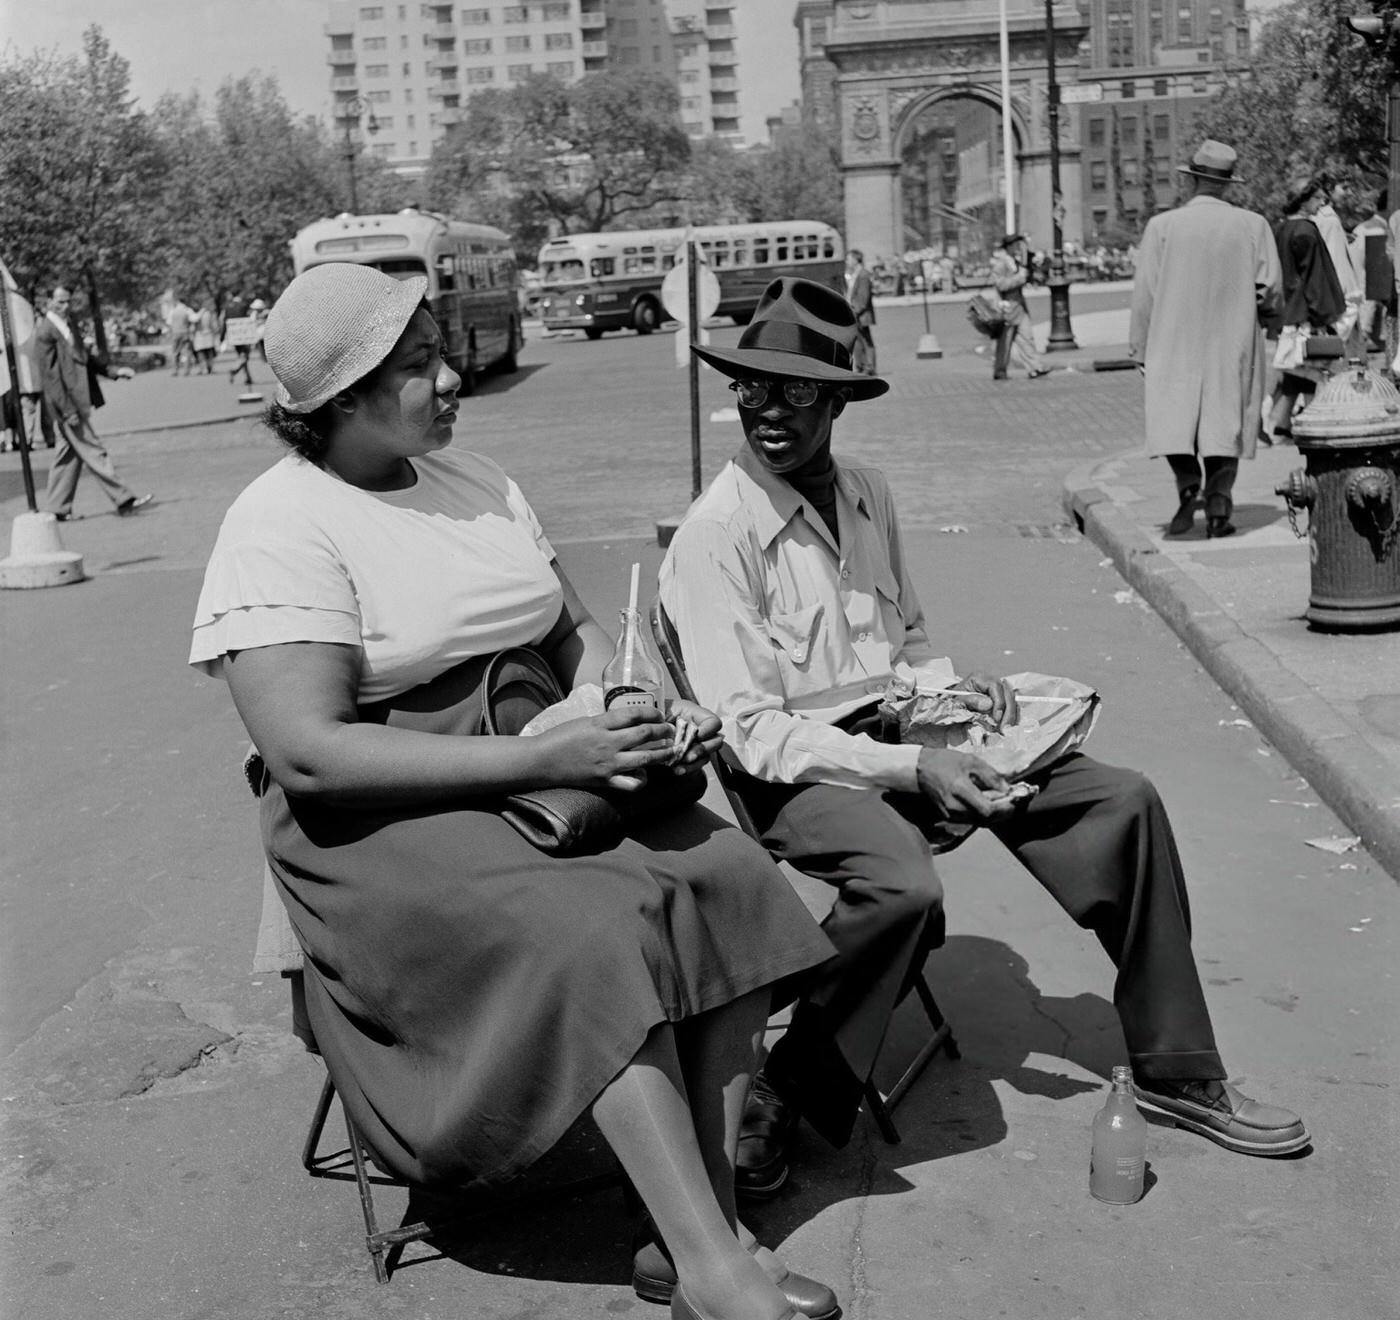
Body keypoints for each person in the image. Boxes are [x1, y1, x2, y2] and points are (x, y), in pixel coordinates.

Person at [187, 263, 838, 1320]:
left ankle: (696, 1229)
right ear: (340, 399)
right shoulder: (281, 524)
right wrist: (547, 761)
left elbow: (573, 635)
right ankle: (714, 1272)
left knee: (727, 875)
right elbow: (309, 754)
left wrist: (624, 707)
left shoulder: (479, 478)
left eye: (440, 351)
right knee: (591, 932)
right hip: (381, 826)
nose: (450, 378)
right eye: (415, 366)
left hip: (540, 767)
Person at [659, 275, 1310, 1200]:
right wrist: (915, 766)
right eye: (752, 388)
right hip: (801, 772)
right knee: (901, 887)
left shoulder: (867, 494)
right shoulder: (715, 536)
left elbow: (907, 639)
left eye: (799, 390)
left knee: (1120, 798)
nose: (770, 411)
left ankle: (1176, 1068)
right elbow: (756, 734)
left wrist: (959, 704)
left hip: (906, 737)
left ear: (838, 399)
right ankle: (782, 1086)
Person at [1129, 141, 1283, 538]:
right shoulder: (1253, 225)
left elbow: (1144, 293)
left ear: (1192, 179)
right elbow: (1270, 290)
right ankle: (1218, 506)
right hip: (1232, 339)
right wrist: (1263, 318)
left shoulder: (1162, 227)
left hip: (1172, 338)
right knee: (1225, 423)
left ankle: (1187, 482)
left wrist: (1140, 346)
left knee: (1173, 418)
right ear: (1227, 184)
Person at [35, 286, 153, 522]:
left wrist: (113, 371)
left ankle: (57, 508)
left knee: (68, 455)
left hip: (78, 399)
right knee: (93, 449)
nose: (65, 307)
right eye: (60, 302)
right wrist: (68, 409)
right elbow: (51, 378)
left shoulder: (68, 326)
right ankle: (124, 500)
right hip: (67, 405)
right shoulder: (45, 332)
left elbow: (85, 359)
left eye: (68, 302)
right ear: (49, 302)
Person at [1264, 177, 1346, 447]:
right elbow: (1315, 278)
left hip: (1286, 310)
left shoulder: (1279, 229)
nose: (1322, 202)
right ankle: (1304, 423)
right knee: (1312, 367)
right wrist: (1324, 314)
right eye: (1317, 198)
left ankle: (1281, 423)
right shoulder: (1306, 231)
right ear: (1304, 199)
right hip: (1305, 313)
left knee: (1297, 370)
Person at [989, 234, 1049, 381]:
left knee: (1026, 337)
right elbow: (1001, 284)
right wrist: (1020, 278)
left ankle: (1034, 368)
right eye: (1015, 245)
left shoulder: (1017, 262)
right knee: (1005, 341)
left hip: (1019, 307)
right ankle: (1000, 370)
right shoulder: (1001, 264)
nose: (1017, 248)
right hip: (1007, 308)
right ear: (1008, 247)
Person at [843, 249, 877, 375]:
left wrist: (855, 311)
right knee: (857, 340)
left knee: (867, 341)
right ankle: (861, 365)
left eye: (849, 259)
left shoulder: (862, 274)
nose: (847, 261)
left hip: (860, 314)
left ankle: (870, 366)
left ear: (856, 259)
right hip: (854, 313)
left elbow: (863, 297)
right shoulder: (854, 274)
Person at [169, 299, 196, 376]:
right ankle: (186, 370)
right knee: (187, 352)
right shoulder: (187, 310)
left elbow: (169, 322)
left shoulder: (173, 311)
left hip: (175, 334)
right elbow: (194, 319)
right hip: (185, 333)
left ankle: (175, 370)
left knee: (175, 353)